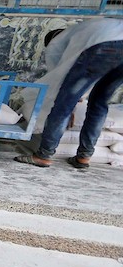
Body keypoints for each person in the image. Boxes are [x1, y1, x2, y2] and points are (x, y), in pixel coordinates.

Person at [14, 17, 123, 169]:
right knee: (99, 103)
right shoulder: (82, 31)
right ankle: (84, 157)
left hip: (104, 47)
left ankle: (43, 155)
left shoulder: (57, 44)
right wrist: (77, 99)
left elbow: (59, 77)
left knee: (62, 105)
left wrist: (71, 105)